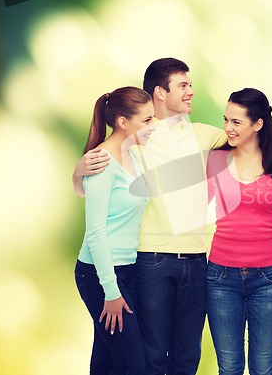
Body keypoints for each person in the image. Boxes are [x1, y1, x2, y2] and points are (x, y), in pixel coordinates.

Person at [73, 58, 226, 375]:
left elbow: (252, 141)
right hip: (148, 259)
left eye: (190, 84)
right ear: (159, 92)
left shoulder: (205, 135)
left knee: (183, 357)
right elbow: (95, 191)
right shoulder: (136, 137)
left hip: (194, 258)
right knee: (146, 357)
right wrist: (77, 174)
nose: (191, 92)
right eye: (183, 85)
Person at [74, 86, 155, 375]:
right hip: (99, 275)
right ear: (123, 122)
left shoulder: (132, 156)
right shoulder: (102, 162)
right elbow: (95, 232)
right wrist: (111, 290)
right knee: (131, 365)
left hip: (126, 269)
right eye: (146, 120)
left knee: (107, 359)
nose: (152, 126)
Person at [206, 88, 272, 375]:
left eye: (236, 122)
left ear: (258, 124)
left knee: (264, 368)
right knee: (229, 368)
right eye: (226, 119)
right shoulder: (216, 160)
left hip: (268, 278)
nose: (228, 128)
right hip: (220, 277)